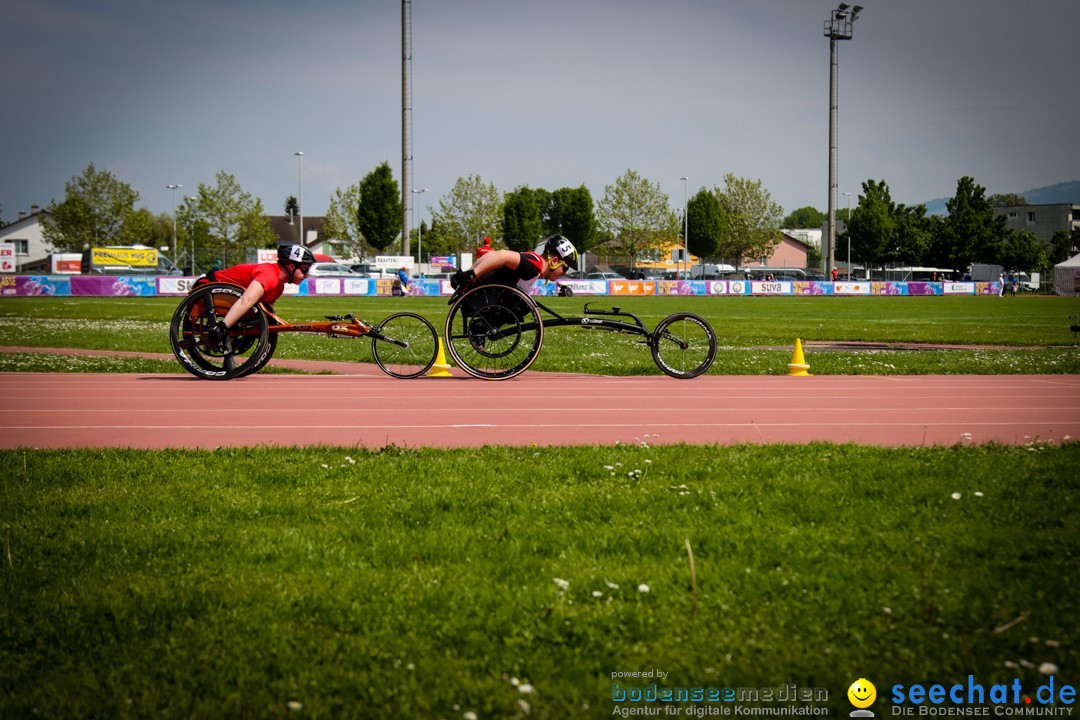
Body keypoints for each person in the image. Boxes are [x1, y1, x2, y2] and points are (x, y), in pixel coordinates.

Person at [195, 244, 317, 350]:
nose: (306, 275)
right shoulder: (270, 276)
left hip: (226, 297)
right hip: (207, 287)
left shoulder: (279, 287)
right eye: (304, 270)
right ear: (291, 267)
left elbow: (265, 312)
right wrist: (222, 327)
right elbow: (246, 300)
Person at [450, 234, 577, 294]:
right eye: (565, 267)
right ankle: (480, 325)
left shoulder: (535, 267)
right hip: (485, 295)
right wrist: (471, 274)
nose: (565, 273)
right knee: (524, 304)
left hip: (486, 293)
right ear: (554, 261)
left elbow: (489, 255)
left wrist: (471, 272)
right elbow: (502, 255)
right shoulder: (534, 265)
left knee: (524, 302)